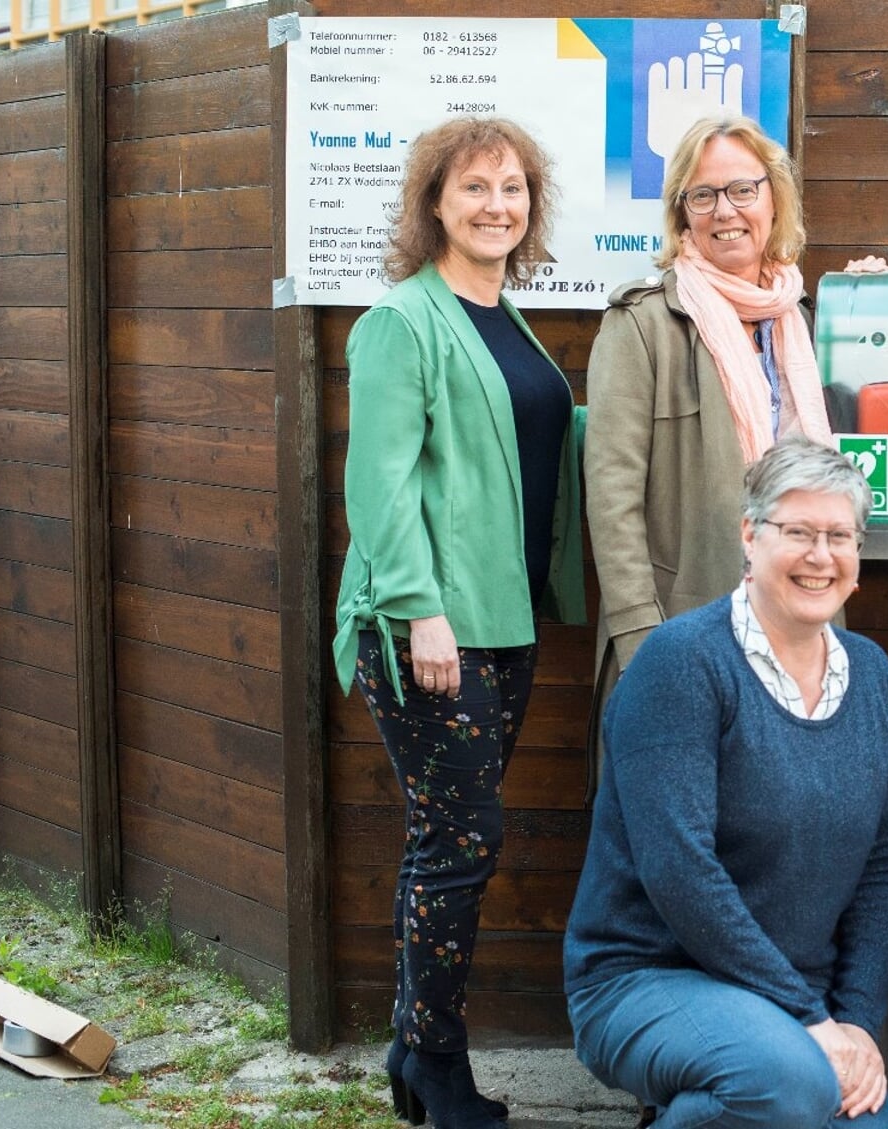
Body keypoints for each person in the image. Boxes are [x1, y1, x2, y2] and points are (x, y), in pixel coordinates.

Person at [330, 116, 584, 1129]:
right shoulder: (402, 321)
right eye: (474, 188)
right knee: (463, 839)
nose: (496, 206)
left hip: (504, 619)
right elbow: (378, 485)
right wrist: (419, 611)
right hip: (428, 630)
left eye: (513, 188)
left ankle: (412, 1047)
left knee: (449, 837)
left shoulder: (503, 315)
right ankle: (433, 1064)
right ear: (433, 201)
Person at [564, 437, 888, 1129]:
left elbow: (884, 866)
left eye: (839, 535)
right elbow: (679, 867)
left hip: (797, 1003)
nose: (821, 555)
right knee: (785, 1084)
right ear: (750, 535)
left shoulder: (870, 674)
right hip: (647, 978)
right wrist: (811, 1021)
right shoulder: (682, 662)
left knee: (841, 1106)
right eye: (799, 532)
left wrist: (860, 1025)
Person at [584, 114, 836, 742]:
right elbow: (612, 501)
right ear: (682, 215)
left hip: (792, 636)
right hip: (681, 636)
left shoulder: (797, 322)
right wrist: (643, 644)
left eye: (742, 189)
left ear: (774, 197)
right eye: (703, 195)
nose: (725, 211)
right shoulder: (643, 324)